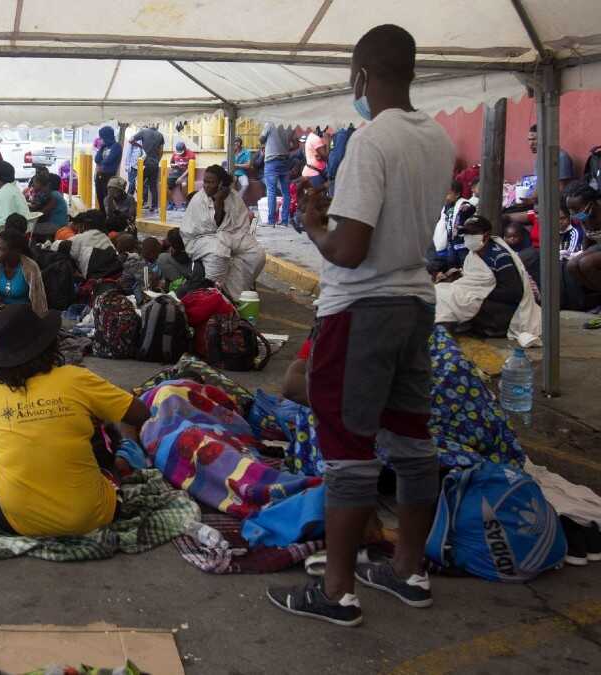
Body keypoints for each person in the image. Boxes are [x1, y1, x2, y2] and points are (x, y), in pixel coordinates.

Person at [267, 24, 456, 628]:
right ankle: (408, 571)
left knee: (347, 449)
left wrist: (313, 226)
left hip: (361, 310)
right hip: (414, 303)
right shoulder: (438, 139)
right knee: (411, 438)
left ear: (361, 77)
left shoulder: (371, 142)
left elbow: (349, 250)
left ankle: (337, 592)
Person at [0, 303, 150, 536]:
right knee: (100, 434)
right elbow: (141, 413)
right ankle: (123, 456)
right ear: (50, 343)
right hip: (92, 516)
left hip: (18, 524)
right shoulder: (76, 379)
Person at [434, 215, 540, 340]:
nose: (468, 238)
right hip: (476, 293)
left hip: (505, 309)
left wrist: (479, 292)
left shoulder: (500, 257)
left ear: (486, 235)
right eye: (466, 234)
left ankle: (445, 331)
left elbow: (514, 292)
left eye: (472, 234)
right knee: (440, 291)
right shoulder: (473, 254)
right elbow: (472, 279)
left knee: (459, 301)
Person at [180, 165, 265, 298]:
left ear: (220, 183)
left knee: (257, 253)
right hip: (202, 238)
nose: (206, 186)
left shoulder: (234, 197)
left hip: (233, 236)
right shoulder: (198, 199)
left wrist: (231, 238)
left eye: (211, 182)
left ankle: (235, 293)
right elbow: (210, 227)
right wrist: (218, 201)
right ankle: (213, 293)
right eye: (205, 182)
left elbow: (240, 223)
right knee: (219, 252)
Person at [259, 122, 296, 226]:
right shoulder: (290, 125)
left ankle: (271, 221)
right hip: (285, 161)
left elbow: (261, 139)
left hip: (271, 161)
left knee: (271, 191)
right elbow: (295, 144)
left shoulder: (270, 123)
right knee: (286, 192)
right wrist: (284, 149)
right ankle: (284, 221)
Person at [65, 209, 117, 277]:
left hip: (93, 279)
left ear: (85, 224)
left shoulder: (80, 238)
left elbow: (55, 247)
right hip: (113, 276)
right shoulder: (107, 239)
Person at [0, 161, 33, 234]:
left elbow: (1, 224)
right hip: (20, 233)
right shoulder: (13, 189)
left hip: (8, 236)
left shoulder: (5, 193)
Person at [529, 123, 576, 190]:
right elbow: (537, 185)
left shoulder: (561, 158)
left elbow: (561, 188)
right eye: (529, 139)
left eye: (534, 139)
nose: (530, 143)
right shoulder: (539, 158)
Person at [129, 125, 165, 212]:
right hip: (154, 163)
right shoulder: (160, 135)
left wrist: (139, 146)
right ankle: (154, 206)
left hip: (144, 163)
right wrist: (157, 160)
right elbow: (161, 151)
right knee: (153, 186)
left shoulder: (143, 132)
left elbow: (130, 140)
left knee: (137, 183)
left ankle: (133, 203)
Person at [29, 172, 68, 242]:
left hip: (57, 225)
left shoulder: (54, 195)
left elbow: (43, 212)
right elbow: (37, 207)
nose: (33, 185)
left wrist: (31, 211)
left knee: (29, 228)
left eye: (35, 183)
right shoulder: (49, 194)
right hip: (55, 223)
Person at [93, 126, 121, 213]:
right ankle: (102, 215)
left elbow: (109, 160)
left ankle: (109, 216)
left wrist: (101, 163)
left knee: (107, 199)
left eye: (102, 137)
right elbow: (96, 159)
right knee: (100, 197)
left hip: (109, 176)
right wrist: (101, 148)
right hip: (99, 175)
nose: (101, 139)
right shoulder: (104, 147)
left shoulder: (116, 146)